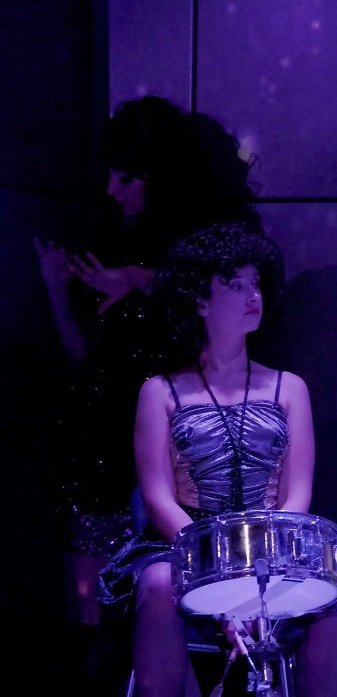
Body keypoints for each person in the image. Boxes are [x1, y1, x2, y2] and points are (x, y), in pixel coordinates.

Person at [99, 223, 337, 697]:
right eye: (236, 285)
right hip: (186, 544)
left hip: (273, 541)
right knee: (158, 582)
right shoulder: (160, 392)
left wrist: (264, 568)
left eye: (255, 283)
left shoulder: (289, 388)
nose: (253, 295)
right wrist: (216, 574)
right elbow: (157, 497)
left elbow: (298, 492)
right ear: (200, 299)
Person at [35, 96, 262, 633]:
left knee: (177, 597)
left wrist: (142, 281)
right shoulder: (109, 244)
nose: (113, 190)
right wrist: (55, 289)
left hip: (179, 444)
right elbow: (86, 359)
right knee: (94, 605)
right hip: (99, 442)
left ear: (162, 179)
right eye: (111, 175)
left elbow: (233, 314)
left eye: (127, 177)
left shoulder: (209, 251)